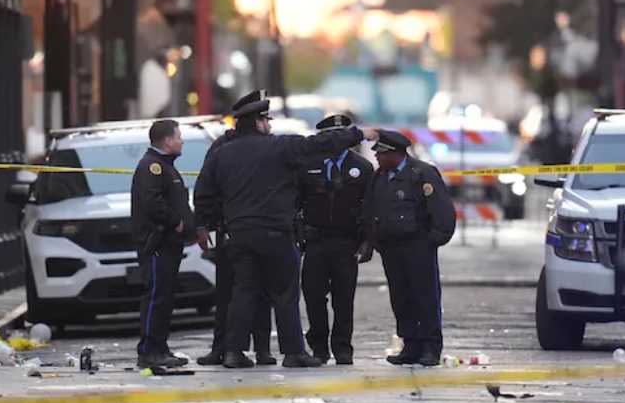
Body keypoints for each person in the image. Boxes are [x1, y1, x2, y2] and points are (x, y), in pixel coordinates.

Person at [194, 95, 379, 368]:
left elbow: (204, 192)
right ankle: (293, 352)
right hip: (275, 233)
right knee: (284, 292)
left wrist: (204, 224)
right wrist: (358, 134)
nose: (269, 125)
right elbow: (320, 143)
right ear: (257, 122)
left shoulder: (222, 153)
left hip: (240, 234)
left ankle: (234, 352)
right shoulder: (280, 147)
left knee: (243, 292)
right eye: (266, 120)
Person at [363, 130, 456, 367]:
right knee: (401, 298)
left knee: (424, 297)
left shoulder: (421, 173)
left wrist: (433, 240)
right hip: (391, 248)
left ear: (396, 154)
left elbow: (441, 210)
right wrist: (374, 241)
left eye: (381, 154)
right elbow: (372, 210)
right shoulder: (379, 178)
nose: (377, 158)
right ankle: (410, 345)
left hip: (418, 246)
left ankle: (430, 348)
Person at [196, 91, 275, 366]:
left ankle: (262, 349)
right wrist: (205, 223)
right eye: (264, 118)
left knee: (261, 292)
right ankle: (223, 347)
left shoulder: (268, 145)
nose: (268, 124)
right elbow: (206, 189)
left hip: (252, 228)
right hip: (229, 229)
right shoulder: (222, 146)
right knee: (227, 292)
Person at [297, 114, 374, 365]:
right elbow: (295, 202)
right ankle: (318, 345)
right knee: (313, 296)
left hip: (346, 242)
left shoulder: (362, 167)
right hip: (315, 241)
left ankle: (342, 347)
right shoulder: (308, 165)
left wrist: (367, 242)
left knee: (344, 298)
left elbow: (369, 209)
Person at [131, 119, 193, 369]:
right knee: (157, 297)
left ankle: (160, 347)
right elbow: (152, 202)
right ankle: (148, 351)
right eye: (178, 136)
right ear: (167, 141)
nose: (181, 141)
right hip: (158, 243)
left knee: (165, 298)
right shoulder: (152, 167)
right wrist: (176, 222)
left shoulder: (164, 166)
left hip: (169, 244)